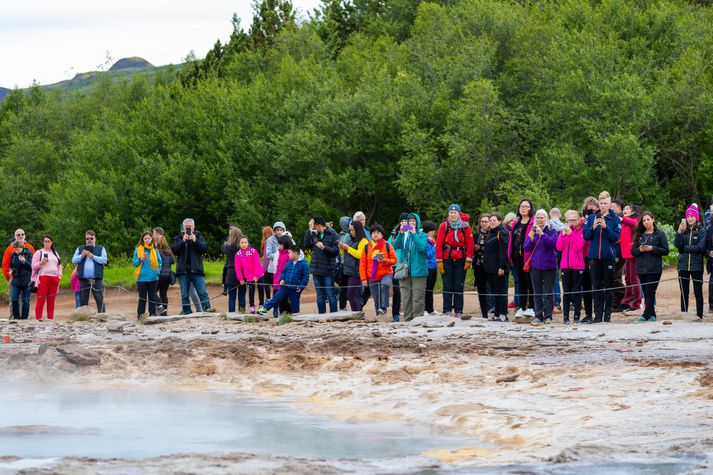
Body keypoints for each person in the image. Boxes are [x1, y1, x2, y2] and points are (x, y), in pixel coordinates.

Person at [583, 192, 621, 323]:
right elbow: (586, 236)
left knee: (609, 287)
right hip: (593, 256)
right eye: (601, 203)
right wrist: (593, 227)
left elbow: (616, 238)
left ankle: (607, 315)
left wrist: (606, 227)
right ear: (598, 204)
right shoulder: (591, 217)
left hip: (608, 256)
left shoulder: (615, 219)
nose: (603, 206)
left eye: (605, 203)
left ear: (609, 204)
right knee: (596, 286)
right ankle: (597, 315)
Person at [436, 204, 474, 318]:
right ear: (448, 214)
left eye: (455, 212)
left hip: (461, 259)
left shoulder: (465, 226)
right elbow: (439, 243)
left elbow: (470, 243)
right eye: (451, 213)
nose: (453, 215)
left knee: (459, 285)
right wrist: (439, 260)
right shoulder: (444, 226)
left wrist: (469, 258)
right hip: (447, 258)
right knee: (447, 285)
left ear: (459, 213)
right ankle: (446, 309)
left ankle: (458, 310)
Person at [172, 218, 216, 314]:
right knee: (184, 294)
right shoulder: (178, 238)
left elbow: (205, 249)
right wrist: (182, 241)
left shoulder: (199, 237)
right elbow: (174, 250)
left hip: (196, 269)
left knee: (202, 292)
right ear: (183, 227)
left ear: (194, 227)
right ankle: (187, 311)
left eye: (190, 226)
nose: (188, 228)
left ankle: (207, 308)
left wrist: (195, 240)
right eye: (186, 226)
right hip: (183, 270)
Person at [631, 212, 669, 322]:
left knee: (650, 291)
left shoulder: (660, 234)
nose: (646, 222)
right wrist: (640, 250)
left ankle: (645, 314)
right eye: (644, 220)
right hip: (641, 268)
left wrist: (652, 249)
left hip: (654, 268)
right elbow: (633, 251)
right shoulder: (639, 235)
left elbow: (665, 250)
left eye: (648, 219)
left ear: (653, 219)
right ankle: (652, 314)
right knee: (647, 291)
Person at [524, 209, 559, 324]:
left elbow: (553, 244)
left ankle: (548, 316)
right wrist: (531, 237)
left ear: (546, 219)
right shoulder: (532, 230)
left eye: (542, 218)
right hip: (535, 266)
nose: (539, 220)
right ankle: (538, 315)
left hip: (549, 265)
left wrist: (542, 234)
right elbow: (526, 248)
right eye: (537, 218)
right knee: (537, 292)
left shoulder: (552, 230)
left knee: (549, 291)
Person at [393, 213, 429, 322]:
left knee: (417, 298)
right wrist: (400, 233)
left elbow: (421, 248)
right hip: (405, 270)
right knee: (406, 297)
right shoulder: (404, 235)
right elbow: (395, 246)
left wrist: (414, 234)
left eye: (414, 221)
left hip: (419, 271)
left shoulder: (422, 235)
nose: (411, 223)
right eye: (409, 221)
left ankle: (418, 320)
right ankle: (408, 320)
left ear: (417, 223)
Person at [258, 245, 310, 316]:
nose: (289, 255)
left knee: (295, 304)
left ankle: (295, 315)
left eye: (290, 253)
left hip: (295, 288)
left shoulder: (304, 264)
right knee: (276, 298)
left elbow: (305, 278)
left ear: (295, 253)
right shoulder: (289, 263)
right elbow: (283, 272)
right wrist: (281, 279)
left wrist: (301, 287)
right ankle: (264, 309)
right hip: (284, 286)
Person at [675, 204, 706, 320]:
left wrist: (684, 248)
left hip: (696, 266)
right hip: (682, 265)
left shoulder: (702, 231)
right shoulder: (683, 230)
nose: (689, 218)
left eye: (692, 216)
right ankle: (684, 313)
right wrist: (679, 232)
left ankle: (699, 314)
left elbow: (700, 248)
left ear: (696, 217)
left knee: (698, 291)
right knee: (684, 291)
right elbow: (678, 245)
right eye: (688, 216)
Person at [304, 216, 340, 314]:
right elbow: (306, 245)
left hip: (328, 270)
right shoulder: (314, 234)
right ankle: (321, 315)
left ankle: (333, 315)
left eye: (314, 227)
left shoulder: (333, 234)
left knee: (330, 293)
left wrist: (324, 247)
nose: (314, 229)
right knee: (320, 295)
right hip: (316, 269)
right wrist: (309, 230)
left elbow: (336, 251)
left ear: (319, 226)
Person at [360, 224, 398, 316]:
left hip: (386, 273)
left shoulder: (387, 245)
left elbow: (394, 260)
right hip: (372, 275)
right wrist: (364, 279)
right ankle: (379, 315)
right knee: (376, 298)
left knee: (384, 285)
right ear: (371, 234)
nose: (375, 234)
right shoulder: (366, 247)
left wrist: (385, 261)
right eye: (373, 233)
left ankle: (384, 307)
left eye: (378, 233)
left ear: (382, 235)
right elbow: (362, 264)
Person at [556, 210, 586, 325]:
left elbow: (577, 247)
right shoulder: (564, 231)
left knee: (577, 292)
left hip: (577, 266)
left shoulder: (582, 231)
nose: (572, 222)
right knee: (566, 292)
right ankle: (566, 318)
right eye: (569, 220)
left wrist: (571, 235)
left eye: (574, 220)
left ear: (579, 220)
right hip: (565, 265)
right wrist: (562, 236)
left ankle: (577, 317)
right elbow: (559, 247)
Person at [508, 199, 535, 318]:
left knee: (531, 282)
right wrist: (509, 254)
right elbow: (512, 240)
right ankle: (522, 307)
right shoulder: (516, 222)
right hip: (517, 257)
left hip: (529, 257)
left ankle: (532, 307)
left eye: (526, 206)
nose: (523, 208)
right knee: (520, 282)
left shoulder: (533, 221)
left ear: (531, 208)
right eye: (521, 206)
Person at [71, 230, 108, 312]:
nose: (89, 240)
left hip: (96, 278)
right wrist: (81, 256)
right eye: (87, 238)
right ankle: (84, 318)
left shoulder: (101, 248)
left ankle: (102, 316)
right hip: (83, 278)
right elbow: (73, 260)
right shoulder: (80, 248)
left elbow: (104, 260)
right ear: (85, 239)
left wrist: (93, 256)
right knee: (83, 299)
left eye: (91, 238)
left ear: (95, 239)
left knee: (99, 298)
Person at [483, 213, 509, 322]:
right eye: (490, 220)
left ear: (499, 221)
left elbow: (504, 251)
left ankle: (503, 314)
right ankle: (496, 314)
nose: (492, 222)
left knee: (501, 291)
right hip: (490, 268)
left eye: (494, 220)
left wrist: (502, 266)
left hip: (499, 268)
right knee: (494, 292)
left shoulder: (501, 232)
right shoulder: (490, 233)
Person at [338, 221, 368, 311]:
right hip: (347, 270)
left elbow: (360, 255)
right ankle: (358, 312)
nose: (350, 232)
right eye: (350, 230)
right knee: (354, 293)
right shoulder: (350, 239)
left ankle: (357, 313)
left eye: (352, 230)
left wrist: (348, 248)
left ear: (357, 230)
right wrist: (341, 248)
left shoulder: (363, 241)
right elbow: (344, 254)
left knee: (351, 293)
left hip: (356, 271)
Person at [132, 232, 162, 320]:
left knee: (152, 297)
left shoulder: (154, 249)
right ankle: (140, 316)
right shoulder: (138, 249)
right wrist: (141, 259)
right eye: (145, 238)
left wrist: (157, 271)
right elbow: (134, 263)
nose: (147, 240)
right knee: (142, 298)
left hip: (153, 277)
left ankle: (152, 314)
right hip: (141, 278)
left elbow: (160, 261)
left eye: (149, 238)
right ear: (142, 239)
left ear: (151, 239)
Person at [32, 235, 62, 321]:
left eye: (49, 241)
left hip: (54, 279)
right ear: (43, 242)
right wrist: (41, 263)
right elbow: (33, 266)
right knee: (41, 299)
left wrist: (59, 276)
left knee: (51, 300)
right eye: (45, 241)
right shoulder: (39, 253)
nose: (47, 243)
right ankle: (38, 318)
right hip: (43, 278)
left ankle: (50, 318)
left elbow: (59, 265)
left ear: (51, 242)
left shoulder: (55, 253)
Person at [618, 204, 641, 313]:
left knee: (634, 279)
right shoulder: (624, 223)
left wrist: (622, 218)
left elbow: (634, 224)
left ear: (632, 212)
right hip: (626, 254)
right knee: (628, 279)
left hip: (633, 254)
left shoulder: (634, 220)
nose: (624, 210)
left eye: (627, 209)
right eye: (624, 209)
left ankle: (637, 303)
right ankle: (626, 301)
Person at [579, 197, 599, 323]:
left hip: (594, 254)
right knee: (585, 286)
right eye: (588, 209)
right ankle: (587, 313)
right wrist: (584, 222)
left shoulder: (598, 218)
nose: (590, 212)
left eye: (593, 209)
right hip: (583, 255)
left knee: (596, 284)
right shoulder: (581, 221)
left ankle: (598, 313)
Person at [234, 236, 264, 313]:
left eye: (245, 242)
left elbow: (257, 263)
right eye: (242, 243)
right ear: (239, 244)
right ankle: (252, 306)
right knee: (251, 291)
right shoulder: (238, 254)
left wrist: (256, 275)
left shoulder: (253, 251)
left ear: (248, 243)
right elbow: (238, 268)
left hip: (258, 274)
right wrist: (240, 278)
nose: (244, 244)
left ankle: (261, 305)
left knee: (260, 289)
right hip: (249, 276)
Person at [389, 215, 409, 322]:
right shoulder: (394, 232)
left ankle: (409, 313)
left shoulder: (412, 231)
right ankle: (395, 315)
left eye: (407, 221)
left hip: (409, 264)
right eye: (402, 221)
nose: (404, 223)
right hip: (396, 265)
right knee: (397, 291)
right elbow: (391, 246)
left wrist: (409, 229)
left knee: (408, 290)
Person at [473, 214, 492, 319]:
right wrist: (475, 248)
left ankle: (496, 311)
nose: (484, 223)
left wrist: (482, 247)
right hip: (479, 265)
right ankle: (484, 314)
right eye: (482, 221)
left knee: (493, 288)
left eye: (486, 221)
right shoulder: (476, 235)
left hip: (491, 265)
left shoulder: (493, 233)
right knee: (481, 290)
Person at [9, 241, 32, 319]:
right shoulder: (13, 254)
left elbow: (31, 267)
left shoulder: (28, 253)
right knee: (14, 299)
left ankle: (24, 318)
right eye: (15, 249)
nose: (16, 251)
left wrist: (24, 261)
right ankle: (16, 317)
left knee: (26, 300)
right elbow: (11, 265)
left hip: (26, 280)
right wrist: (11, 270)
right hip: (16, 280)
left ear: (22, 248)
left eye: (18, 249)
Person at [271, 235, 294, 317]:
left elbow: (290, 269)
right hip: (278, 279)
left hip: (285, 281)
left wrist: (284, 279)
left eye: (280, 244)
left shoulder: (289, 254)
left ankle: (289, 315)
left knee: (284, 300)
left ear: (285, 244)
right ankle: (283, 316)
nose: (279, 246)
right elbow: (277, 267)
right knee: (280, 300)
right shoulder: (279, 253)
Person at [222, 227, 243, 312]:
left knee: (231, 297)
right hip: (242, 273)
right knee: (241, 296)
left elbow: (223, 248)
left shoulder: (228, 246)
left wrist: (228, 237)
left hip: (231, 271)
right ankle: (242, 313)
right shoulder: (243, 245)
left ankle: (231, 314)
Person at [503, 212, 520, 310]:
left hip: (514, 260)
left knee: (517, 281)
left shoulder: (517, 230)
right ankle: (508, 302)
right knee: (505, 282)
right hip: (506, 260)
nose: (512, 222)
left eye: (513, 220)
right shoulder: (505, 231)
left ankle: (516, 301)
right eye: (510, 220)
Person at [549, 208, 565, 314]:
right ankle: (558, 303)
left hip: (551, 254)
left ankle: (553, 302)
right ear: (560, 215)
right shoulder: (564, 226)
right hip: (562, 254)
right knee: (559, 278)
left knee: (552, 278)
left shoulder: (549, 224)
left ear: (550, 215)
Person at [155, 235, 174, 316]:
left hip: (158, 275)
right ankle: (164, 312)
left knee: (152, 292)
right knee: (163, 294)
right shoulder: (169, 251)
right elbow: (173, 261)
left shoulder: (156, 251)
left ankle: (160, 306)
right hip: (167, 276)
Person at [423, 220, 438, 316]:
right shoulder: (424, 240)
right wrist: (434, 248)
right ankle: (424, 309)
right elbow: (426, 254)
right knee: (426, 289)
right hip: (427, 267)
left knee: (431, 289)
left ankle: (430, 309)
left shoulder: (433, 241)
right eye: (432, 231)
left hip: (434, 267)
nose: (433, 233)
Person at [337, 216, 352, 311]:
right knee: (344, 287)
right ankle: (342, 307)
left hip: (350, 265)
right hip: (345, 265)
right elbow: (341, 252)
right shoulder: (343, 236)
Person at [259, 226, 274, 306]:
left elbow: (266, 257)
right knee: (271, 282)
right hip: (271, 265)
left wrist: (264, 267)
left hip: (268, 266)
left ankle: (268, 299)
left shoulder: (266, 242)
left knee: (267, 283)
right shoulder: (273, 241)